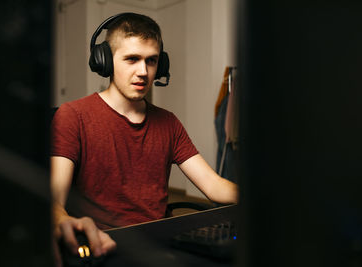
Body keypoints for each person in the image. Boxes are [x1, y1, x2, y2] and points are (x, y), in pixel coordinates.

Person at [50, 12, 238, 266]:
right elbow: (53, 198)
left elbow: (213, 184)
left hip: (160, 243)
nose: (143, 71)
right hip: (103, 245)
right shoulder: (72, 116)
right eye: (132, 59)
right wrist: (62, 220)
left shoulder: (168, 122)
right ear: (104, 61)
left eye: (152, 61)